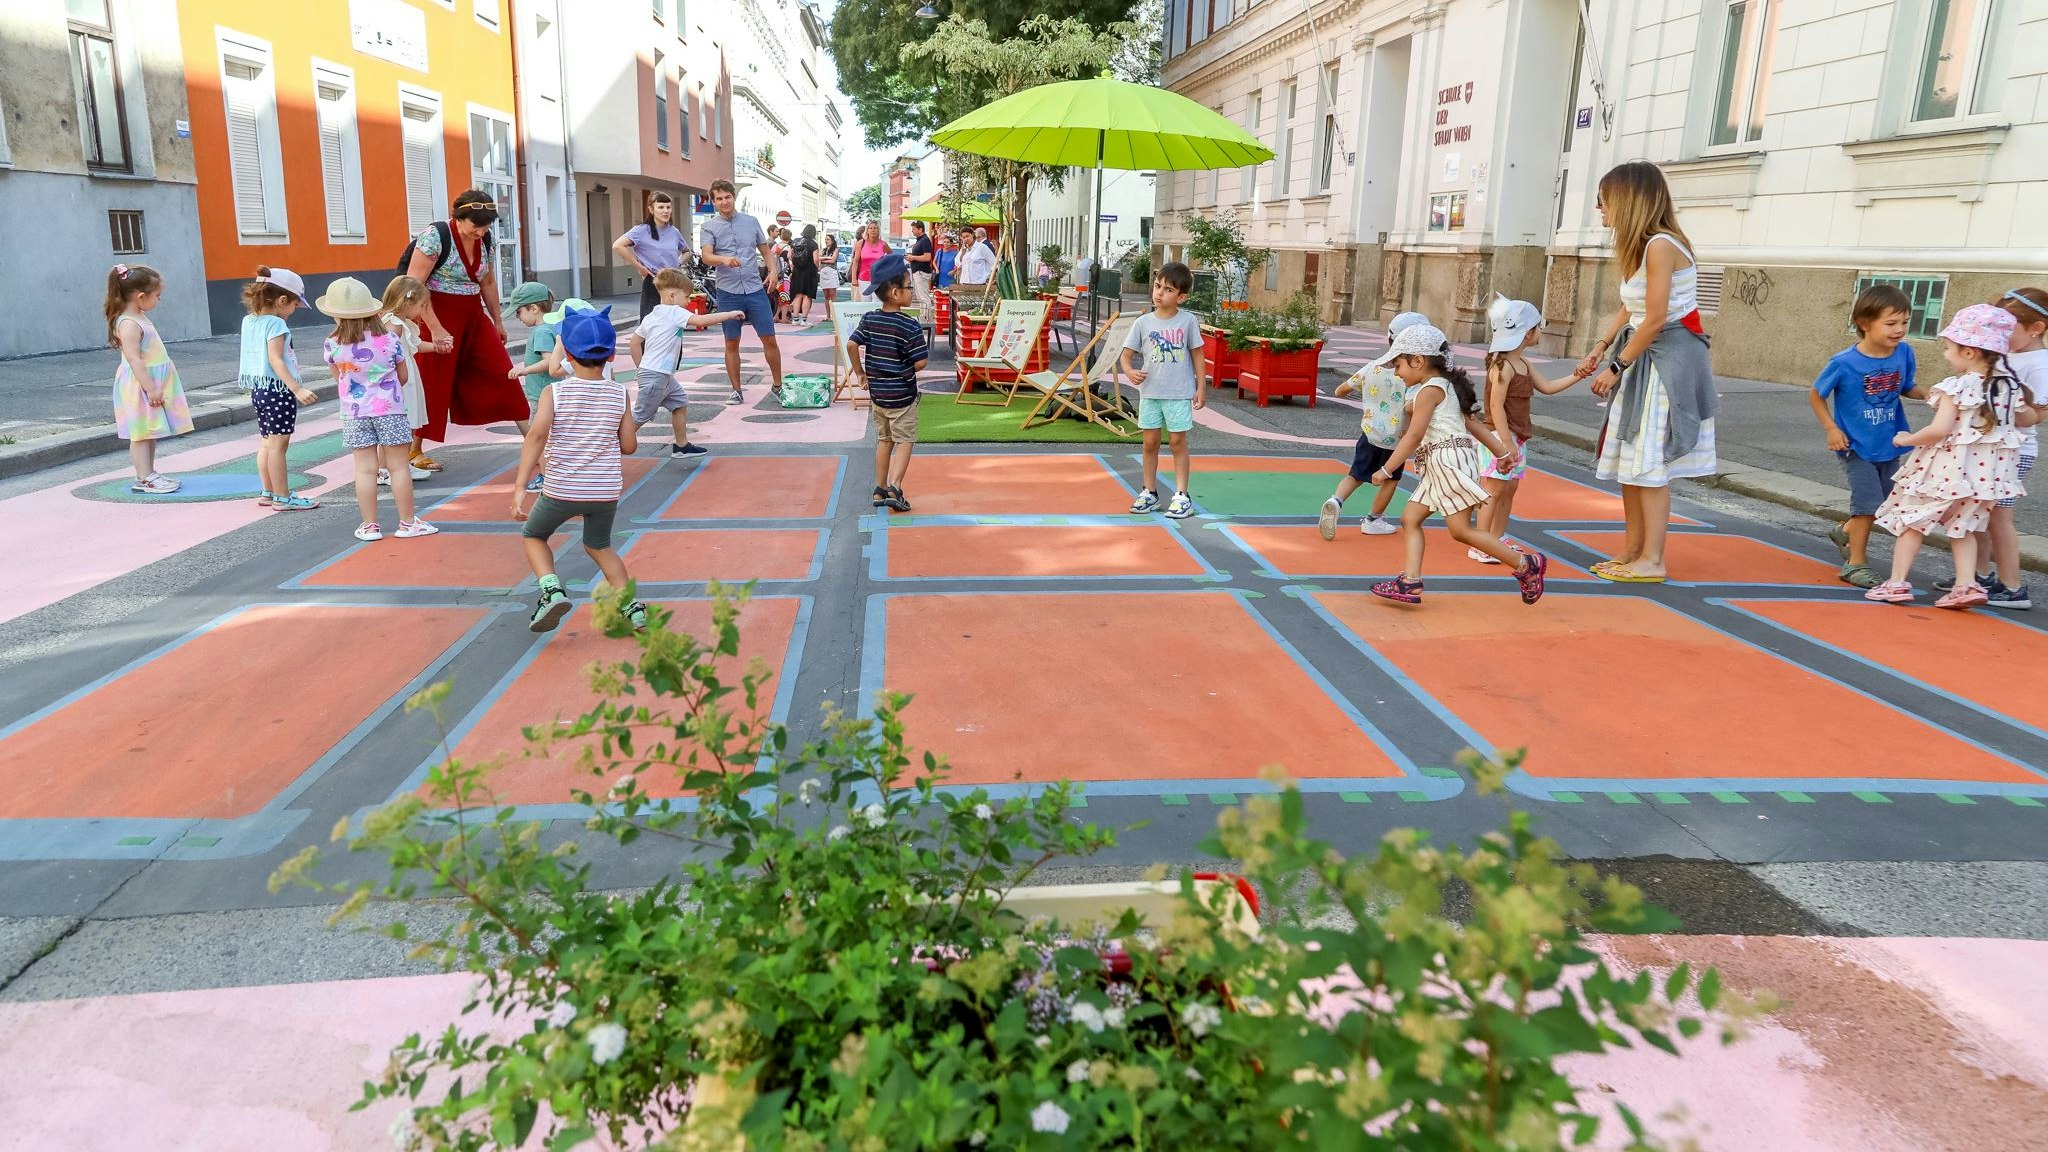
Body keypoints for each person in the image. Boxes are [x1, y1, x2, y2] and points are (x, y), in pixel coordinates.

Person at [1576, 161, 1716, 584]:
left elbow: (1655, 318)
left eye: (1604, 200)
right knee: (1629, 460)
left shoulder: (1661, 245)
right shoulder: (1644, 246)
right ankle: (1633, 550)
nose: (1600, 209)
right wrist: (1601, 346)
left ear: (1628, 199)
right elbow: (1631, 307)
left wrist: (1616, 366)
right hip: (1645, 358)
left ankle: (1652, 560)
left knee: (1648, 464)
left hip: (1663, 362)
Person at [1365, 323, 1549, 606]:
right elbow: (1473, 425)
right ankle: (1410, 582)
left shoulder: (1430, 391)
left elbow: (1414, 435)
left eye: (1398, 364)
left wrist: (1387, 469)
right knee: (1410, 518)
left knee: (1461, 530)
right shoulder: (1442, 388)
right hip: (1444, 462)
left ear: (1418, 361)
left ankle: (1526, 564)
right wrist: (1500, 453)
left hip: (1447, 461)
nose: (1396, 371)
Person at [1867, 304, 2030, 609]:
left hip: (1943, 473)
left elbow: (1938, 430)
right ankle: (1965, 584)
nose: (1945, 353)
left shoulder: (1955, 387)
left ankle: (1898, 582)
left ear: (1969, 352)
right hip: (1983, 478)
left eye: (1948, 347)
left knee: (1912, 522)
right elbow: (2027, 418)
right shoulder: (2007, 387)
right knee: (1963, 527)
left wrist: (1906, 438)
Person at [510, 306, 649, 635]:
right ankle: (631, 606)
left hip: (561, 489)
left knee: (534, 535)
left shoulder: (554, 392)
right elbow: (629, 446)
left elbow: (536, 436)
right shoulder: (619, 393)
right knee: (599, 546)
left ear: (567, 354)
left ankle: (551, 590)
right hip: (604, 491)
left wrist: (519, 486)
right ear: (612, 355)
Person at [1806, 284, 1922, 589]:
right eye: (1891, 323)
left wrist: (1932, 395)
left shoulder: (1904, 353)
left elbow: (1905, 386)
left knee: (1884, 503)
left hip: (1889, 442)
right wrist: (1832, 428)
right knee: (1867, 506)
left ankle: (1845, 530)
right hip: (1855, 445)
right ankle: (1855, 563)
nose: (1899, 330)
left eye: (1904, 323)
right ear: (1864, 323)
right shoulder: (1845, 362)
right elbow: (1817, 394)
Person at [405, 190, 529, 472]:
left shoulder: (485, 239)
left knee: (502, 370)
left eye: (486, 225)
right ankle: (413, 449)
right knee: (433, 381)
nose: (481, 231)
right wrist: (434, 328)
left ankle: (534, 439)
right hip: (436, 314)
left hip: (473, 314)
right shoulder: (435, 236)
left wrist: (497, 321)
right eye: (476, 225)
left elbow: (486, 281)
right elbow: (413, 287)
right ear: (457, 218)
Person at [317, 276, 434, 542]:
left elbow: (340, 379)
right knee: (398, 468)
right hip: (390, 409)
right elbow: (403, 376)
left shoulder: (333, 343)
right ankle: (407, 523)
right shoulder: (389, 339)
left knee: (365, 470)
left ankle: (370, 526)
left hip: (355, 413)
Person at [1473, 296, 1586, 560]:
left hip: (1517, 436)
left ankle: (1498, 538)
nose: (1541, 332)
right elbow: (1496, 406)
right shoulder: (1502, 366)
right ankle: (1481, 543)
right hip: (1498, 437)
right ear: (1526, 333)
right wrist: (1505, 443)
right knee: (1493, 490)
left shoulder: (1523, 363)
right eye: (1538, 327)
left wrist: (1576, 376)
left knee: (1509, 489)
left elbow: (1546, 387)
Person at [1321, 311, 1429, 538]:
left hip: (1370, 434)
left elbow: (1341, 389)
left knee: (1355, 474)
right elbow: (1412, 406)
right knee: (1391, 479)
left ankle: (1336, 501)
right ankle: (1373, 518)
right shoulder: (1414, 377)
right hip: (1397, 440)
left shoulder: (1373, 366)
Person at [1120, 262, 1207, 520]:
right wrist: (1129, 370)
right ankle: (1149, 492)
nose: (1159, 292)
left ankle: (1182, 495)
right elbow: (1126, 356)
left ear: (1181, 297)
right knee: (1150, 443)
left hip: (1179, 392)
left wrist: (1201, 386)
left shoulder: (1188, 321)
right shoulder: (1143, 323)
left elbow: (1198, 354)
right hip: (1151, 393)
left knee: (1178, 442)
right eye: (1157, 286)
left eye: (1167, 289)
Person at [630, 267, 743, 462]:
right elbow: (700, 320)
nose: (689, 300)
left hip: (659, 374)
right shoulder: (674, 312)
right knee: (640, 417)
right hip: (657, 376)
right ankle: (606, 447)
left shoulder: (652, 315)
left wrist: (641, 367)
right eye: (687, 296)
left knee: (680, 402)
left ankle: (681, 446)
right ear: (672, 295)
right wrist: (729, 314)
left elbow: (634, 342)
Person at [846, 254, 928, 514]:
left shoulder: (869, 319)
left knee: (884, 439)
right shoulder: (909, 325)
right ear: (895, 292)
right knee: (905, 440)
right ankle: (895, 486)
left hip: (878, 396)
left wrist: (860, 373)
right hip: (902, 395)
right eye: (908, 287)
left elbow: (851, 344)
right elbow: (921, 363)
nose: (911, 291)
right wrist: (903, 367)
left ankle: (879, 488)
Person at [105, 263, 192, 494]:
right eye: (157, 296)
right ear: (141, 296)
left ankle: (149, 473)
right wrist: (150, 388)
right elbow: (134, 360)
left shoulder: (139, 316)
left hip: (151, 381)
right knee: (141, 433)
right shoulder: (129, 323)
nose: (159, 300)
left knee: (149, 431)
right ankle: (144, 477)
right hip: (140, 384)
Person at [237, 266, 319, 512]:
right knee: (279, 445)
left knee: (267, 442)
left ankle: (268, 491)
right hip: (278, 391)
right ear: (282, 300)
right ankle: (283, 497)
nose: (294, 310)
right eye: (294, 304)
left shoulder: (250, 320)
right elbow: (276, 359)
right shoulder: (276, 325)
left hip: (260, 390)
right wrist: (296, 389)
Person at [698, 178, 783, 405]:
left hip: (754, 288)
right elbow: (706, 256)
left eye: (728, 197)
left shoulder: (751, 221)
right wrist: (723, 259)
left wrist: (773, 272)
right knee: (731, 342)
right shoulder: (709, 227)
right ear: (713, 202)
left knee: (769, 338)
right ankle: (736, 390)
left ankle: (778, 385)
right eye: (719, 198)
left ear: (734, 197)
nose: (725, 202)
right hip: (728, 291)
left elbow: (766, 251)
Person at [377, 276, 434, 488]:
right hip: (401, 379)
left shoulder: (399, 323)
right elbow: (389, 354)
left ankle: (398, 465)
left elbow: (414, 346)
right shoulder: (394, 325)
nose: (421, 311)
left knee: (405, 424)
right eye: (420, 306)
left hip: (406, 376)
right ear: (407, 302)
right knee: (401, 423)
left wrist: (437, 347)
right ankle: (387, 469)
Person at [613, 191, 687, 321]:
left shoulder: (674, 231)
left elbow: (687, 252)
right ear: (651, 209)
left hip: (673, 281)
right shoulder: (641, 230)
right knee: (650, 321)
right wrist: (638, 266)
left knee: (674, 322)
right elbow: (617, 246)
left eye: (668, 207)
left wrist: (678, 264)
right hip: (653, 280)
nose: (665, 211)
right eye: (661, 207)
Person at [906, 221, 935, 330]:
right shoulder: (920, 241)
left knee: (923, 297)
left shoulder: (925, 241)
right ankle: (924, 318)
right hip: (917, 271)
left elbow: (927, 257)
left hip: (921, 272)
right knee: (920, 297)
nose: (912, 231)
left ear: (920, 229)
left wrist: (913, 258)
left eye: (914, 229)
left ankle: (926, 319)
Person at [789, 224, 821, 324]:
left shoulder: (795, 241)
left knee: (797, 295)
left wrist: (795, 264)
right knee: (807, 295)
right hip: (809, 271)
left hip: (797, 271)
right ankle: (804, 319)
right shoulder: (813, 244)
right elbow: (816, 259)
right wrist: (817, 268)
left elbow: (789, 255)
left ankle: (795, 319)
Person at [854, 223, 890, 300]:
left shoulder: (883, 244)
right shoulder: (861, 243)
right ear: (867, 231)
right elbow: (855, 261)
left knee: (877, 304)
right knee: (865, 305)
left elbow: (891, 257)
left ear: (878, 230)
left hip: (879, 279)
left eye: (875, 228)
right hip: (863, 279)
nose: (873, 230)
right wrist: (854, 278)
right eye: (870, 228)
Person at [958, 227, 998, 292]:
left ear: (973, 235)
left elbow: (994, 263)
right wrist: (962, 253)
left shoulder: (982, 247)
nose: (966, 239)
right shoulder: (964, 249)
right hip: (965, 283)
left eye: (967, 236)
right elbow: (958, 264)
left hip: (979, 284)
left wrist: (987, 276)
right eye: (963, 237)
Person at [816, 233, 842, 323]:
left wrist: (823, 259)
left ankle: (835, 316)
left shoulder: (836, 249)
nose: (826, 241)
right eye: (825, 239)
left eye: (828, 239)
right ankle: (828, 316)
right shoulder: (822, 250)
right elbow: (817, 258)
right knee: (826, 296)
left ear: (832, 240)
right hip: (823, 272)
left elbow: (833, 260)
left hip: (831, 272)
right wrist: (827, 257)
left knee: (833, 295)